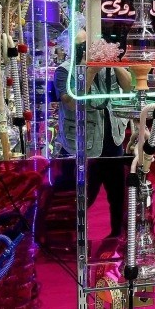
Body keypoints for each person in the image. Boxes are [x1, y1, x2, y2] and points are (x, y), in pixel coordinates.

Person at [54, 41, 132, 237]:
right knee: (81, 198)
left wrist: (113, 62)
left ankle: (117, 238)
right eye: (83, 46)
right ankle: (73, 240)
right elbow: (72, 103)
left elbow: (131, 87)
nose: (89, 49)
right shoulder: (63, 71)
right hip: (81, 146)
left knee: (118, 197)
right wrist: (89, 70)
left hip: (113, 142)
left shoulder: (111, 67)